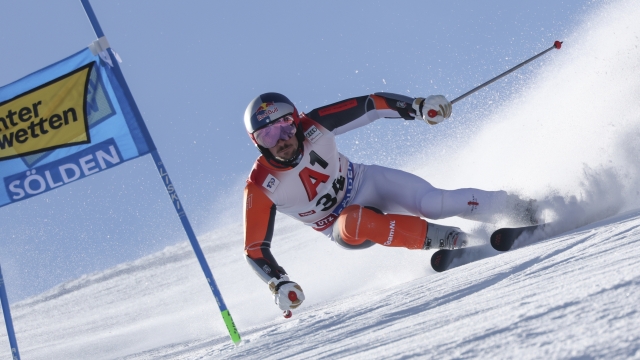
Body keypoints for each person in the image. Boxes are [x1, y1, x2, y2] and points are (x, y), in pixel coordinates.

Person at [243, 92, 536, 313]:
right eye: (268, 135)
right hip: (341, 225)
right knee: (357, 219)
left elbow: (371, 105)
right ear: (257, 143)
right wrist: (278, 283)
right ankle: (459, 242)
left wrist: (418, 107)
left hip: (367, 183)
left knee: (434, 203)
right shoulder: (260, 186)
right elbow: (255, 248)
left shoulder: (315, 125)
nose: (281, 139)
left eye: (285, 127)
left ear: (296, 121)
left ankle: (520, 208)